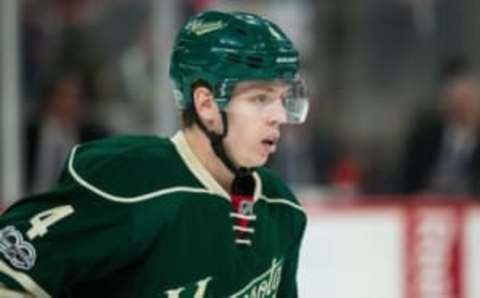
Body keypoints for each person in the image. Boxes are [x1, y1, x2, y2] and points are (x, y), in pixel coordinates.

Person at [0, 10, 309, 297]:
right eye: (260, 99)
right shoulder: (131, 183)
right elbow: (9, 270)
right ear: (206, 104)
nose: (279, 115)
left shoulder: (282, 208)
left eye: (282, 99)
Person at [24, 72, 109, 194]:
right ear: (49, 99)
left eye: (76, 97)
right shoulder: (27, 135)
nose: (70, 103)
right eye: (63, 96)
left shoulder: (93, 137)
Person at [400, 73, 480, 195]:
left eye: (467, 101)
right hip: (428, 204)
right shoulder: (425, 138)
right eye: (457, 102)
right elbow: (407, 179)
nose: (462, 108)